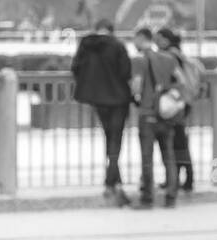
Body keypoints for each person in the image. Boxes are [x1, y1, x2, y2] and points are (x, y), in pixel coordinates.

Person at [70, 19, 132, 206]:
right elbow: (125, 72)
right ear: (111, 30)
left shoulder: (86, 45)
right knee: (116, 139)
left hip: (98, 99)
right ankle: (111, 182)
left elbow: (76, 68)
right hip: (119, 99)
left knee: (109, 137)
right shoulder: (118, 46)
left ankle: (113, 182)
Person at [132, 28, 179, 208]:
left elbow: (136, 85)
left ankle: (147, 198)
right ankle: (171, 197)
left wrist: (136, 97)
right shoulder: (168, 59)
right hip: (166, 114)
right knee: (169, 156)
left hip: (147, 113)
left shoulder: (139, 60)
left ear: (141, 38)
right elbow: (179, 81)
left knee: (147, 158)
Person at [155, 27, 200, 193]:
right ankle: (182, 178)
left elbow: (175, 80)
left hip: (175, 104)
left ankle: (182, 180)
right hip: (183, 102)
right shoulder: (178, 53)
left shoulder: (170, 55)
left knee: (177, 143)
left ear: (166, 40)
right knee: (179, 142)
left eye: (158, 39)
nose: (156, 42)